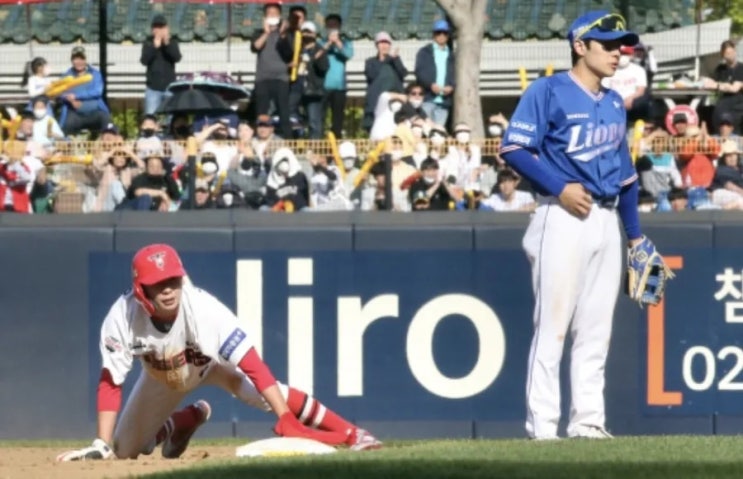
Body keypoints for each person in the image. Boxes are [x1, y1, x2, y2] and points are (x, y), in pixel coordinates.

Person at [56, 244, 381, 462]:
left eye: (173, 280)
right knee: (125, 450)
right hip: (161, 379)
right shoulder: (122, 317)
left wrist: (284, 418)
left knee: (268, 393)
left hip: (211, 364)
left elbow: (253, 364)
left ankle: (354, 433)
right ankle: (185, 420)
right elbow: (110, 381)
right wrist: (100, 443)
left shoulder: (202, 308)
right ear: (141, 290)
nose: (168, 289)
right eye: (159, 284)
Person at [500, 11, 645, 440]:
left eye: (621, 45)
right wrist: (559, 187)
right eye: (608, 44)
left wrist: (635, 236)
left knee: (597, 330)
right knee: (554, 327)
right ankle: (543, 428)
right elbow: (514, 147)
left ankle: (588, 422)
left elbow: (626, 174)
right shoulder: (548, 90)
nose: (619, 52)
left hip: (605, 218)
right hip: (561, 215)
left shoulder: (615, 101)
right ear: (580, 47)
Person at [251, 2, 294, 139]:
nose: (272, 16)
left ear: (280, 16)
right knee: (262, 113)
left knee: (284, 112)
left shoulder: (286, 34)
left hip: (281, 78)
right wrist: (266, 33)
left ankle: (288, 141)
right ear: (264, 17)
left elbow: (289, 54)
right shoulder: (258, 32)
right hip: (262, 78)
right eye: (269, 14)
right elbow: (255, 47)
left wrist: (282, 35)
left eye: (275, 14)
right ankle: (260, 140)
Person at [59, 46, 111, 136]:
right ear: (72, 60)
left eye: (81, 58)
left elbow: (98, 91)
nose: (79, 62)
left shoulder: (95, 74)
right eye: (76, 59)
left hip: (95, 112)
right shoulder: (66, 76)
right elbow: (61, 92)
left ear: (85, 60)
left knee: (106, 120)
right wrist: (70, 100)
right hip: (75, 114)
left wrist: (77, 96)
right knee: (67, 125)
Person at [363, 31, 408, 132]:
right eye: (381, 42)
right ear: (376, 45)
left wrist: (395, 60)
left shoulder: (395, 60)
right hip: (376, 103)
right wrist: (387, 59)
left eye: (387, 42)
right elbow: (371, 75)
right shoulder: (370, 62)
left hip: (395, 103)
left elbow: (403, 73)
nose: (384, 45)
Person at [414, 19, 456, 127]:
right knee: (426, 130)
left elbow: (455, 74)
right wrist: (430, 85)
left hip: (444, 101)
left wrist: (451, 86)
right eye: (438, 32)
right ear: (434, 34)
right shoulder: (424, 52)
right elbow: (419, 72)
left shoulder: (451, 55)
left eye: (445, 33)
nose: (441, 35)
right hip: (428, 98)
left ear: (448, 35)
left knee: (439, 134)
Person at [140, 14, 181, 115]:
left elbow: (177, 57)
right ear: (152, 29)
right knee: (151, 116)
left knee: (171, 117)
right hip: (153, 88)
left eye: (161, 27)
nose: (159, 30)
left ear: (167, 28)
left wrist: (167, 44)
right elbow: (144, 61)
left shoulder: (172, 42)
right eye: (156, 27)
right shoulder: (148, 43)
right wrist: (154, 46)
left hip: (169, 88)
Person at [320, 14, 353, 138]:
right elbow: (317, 56)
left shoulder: (346, 42)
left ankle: (336, 145)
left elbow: (348, 54)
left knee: (338, 119)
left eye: (335, 25)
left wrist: (338, 43)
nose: (332, 28)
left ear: (339, 27)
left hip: (339, 87)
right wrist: (328, 43)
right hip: (323, 86)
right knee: (320, 118)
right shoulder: (321, 41)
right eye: (330, 25)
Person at [702, 40, 743, 134]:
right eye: (727, 53)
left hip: (739, 103)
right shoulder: (720, 69)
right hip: (723, 102)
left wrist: (720, 85)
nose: (730, 55)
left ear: (735, 51)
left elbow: (734, 88)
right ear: (723, 55)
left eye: (732, 52)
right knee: (711, 111)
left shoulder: (741, 68)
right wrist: (722, 85)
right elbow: (711, 82)